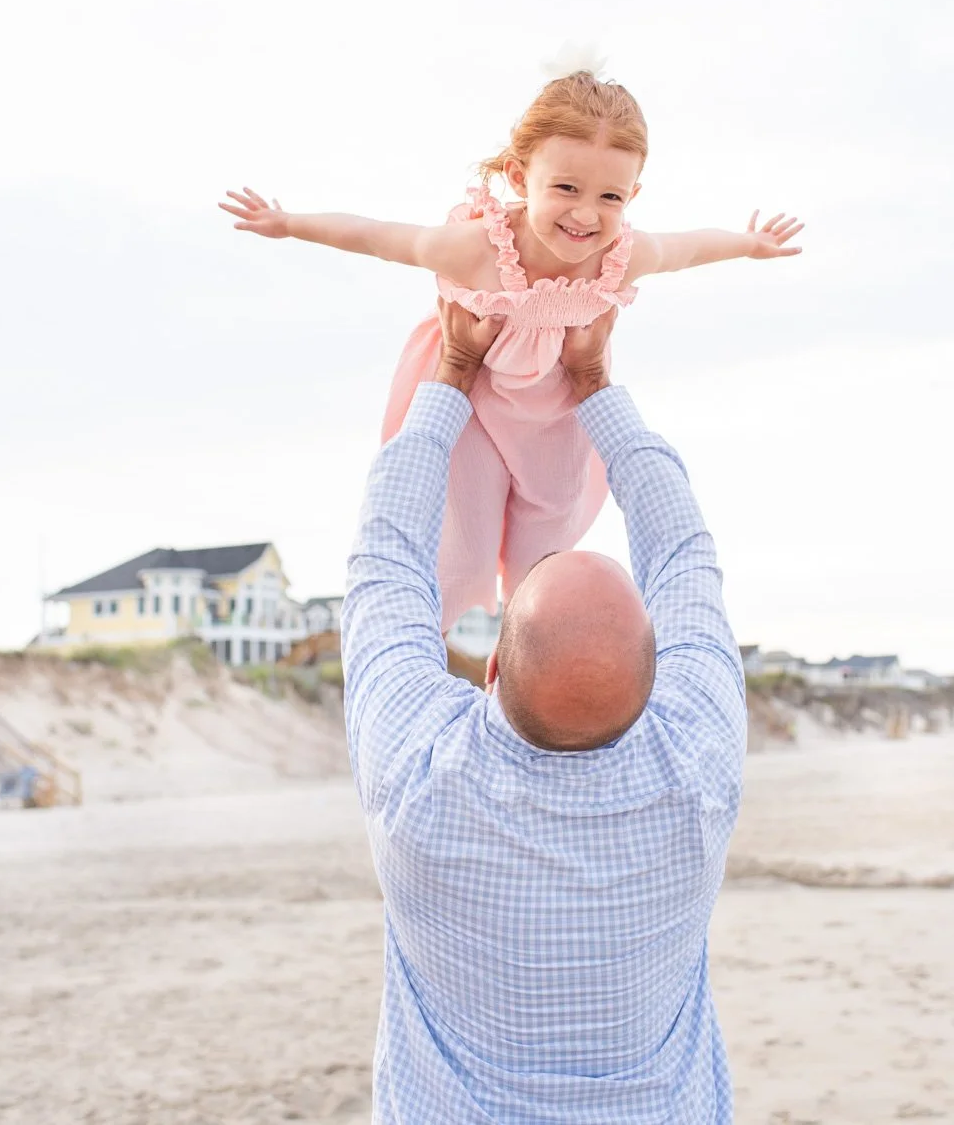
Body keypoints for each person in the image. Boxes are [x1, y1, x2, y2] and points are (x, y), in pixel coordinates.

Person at [342, 296, 747, 1122]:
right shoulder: (699, 771)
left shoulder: (418, 783)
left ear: (492, 667)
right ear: (656, 679)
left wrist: (453, 372)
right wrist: (594, 384)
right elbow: (683, 555)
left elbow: (388, 560)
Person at [220, 65, 802, 630]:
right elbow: (379, 237)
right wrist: (288, 223)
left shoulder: (622, 256)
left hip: (557, 411)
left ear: (633, 194)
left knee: (545, 544)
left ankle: (521, 653)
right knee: (462, 540)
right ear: (519, 178)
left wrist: (749, 243)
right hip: (473, 400)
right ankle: (427, 642)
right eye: (566, 187)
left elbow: (689, 249)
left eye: (610, 197)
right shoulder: (477, 248)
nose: (586, 213)